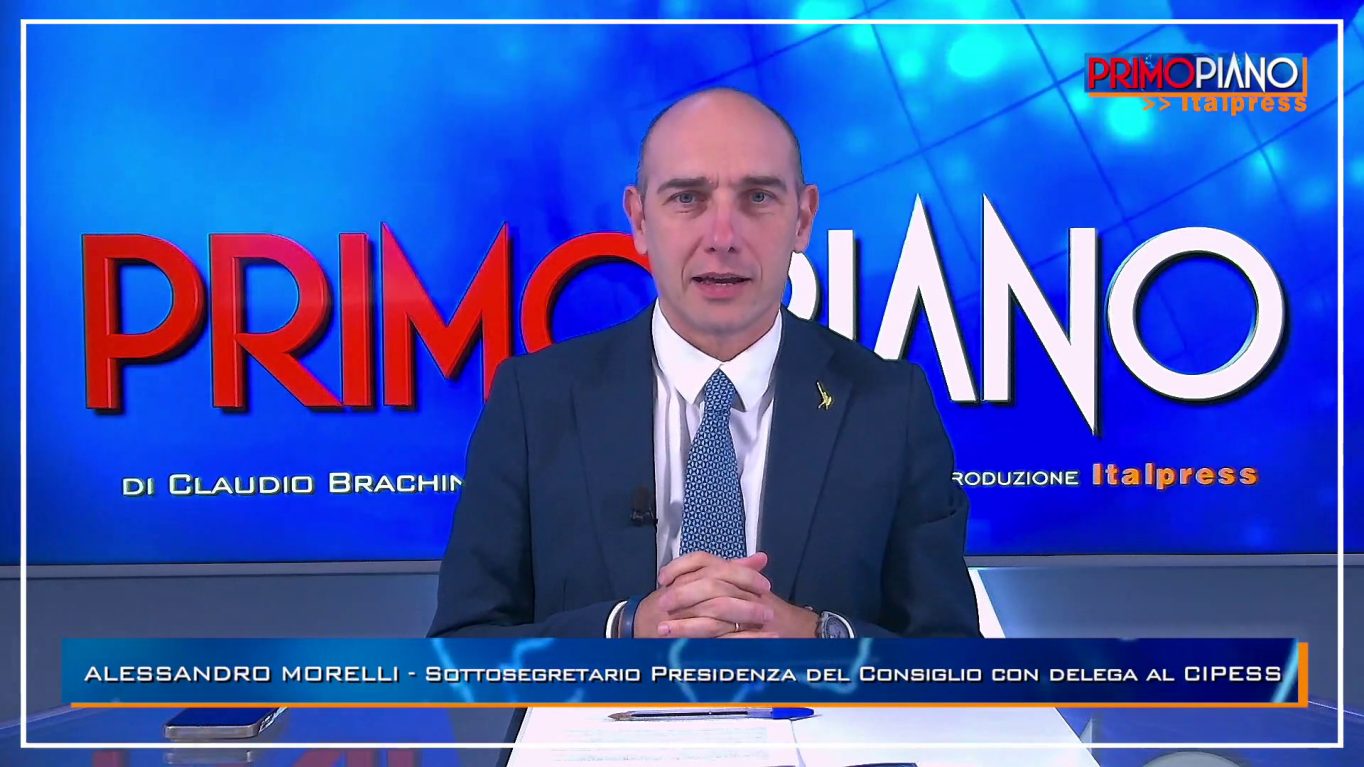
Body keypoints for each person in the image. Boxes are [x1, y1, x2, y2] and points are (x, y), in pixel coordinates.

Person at [429, 87, 979, 639]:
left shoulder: (890, 407)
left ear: (803, 218)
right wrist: (622, 631)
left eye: (758, 197)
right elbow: (460, 649)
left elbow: (953, 660)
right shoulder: (535, 402)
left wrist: (819, 637)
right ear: (639, 220)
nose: (722, 238)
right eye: (687, 198)